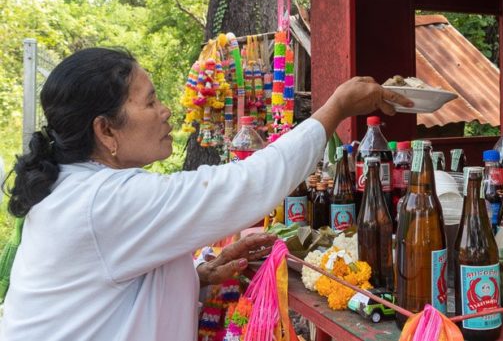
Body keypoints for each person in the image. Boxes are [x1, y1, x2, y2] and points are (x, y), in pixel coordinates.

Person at [0, 47, 412, 341]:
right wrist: (336, 108)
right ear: (105, 130)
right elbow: (246, 183)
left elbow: (104, 296)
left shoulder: (80, 189)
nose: (164, 112)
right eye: (151, 102)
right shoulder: (104, 201)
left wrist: (196, 280)